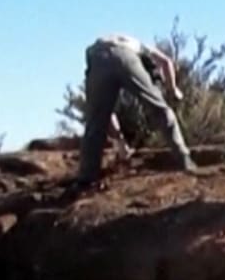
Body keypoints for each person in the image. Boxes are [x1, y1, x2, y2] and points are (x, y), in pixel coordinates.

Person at [76, 33, 197, 184]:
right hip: (126, 54)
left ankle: (86, 177)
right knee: (160, 109)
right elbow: (166, 62)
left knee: (95, 121)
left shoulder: (122, 42)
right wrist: (172, 90)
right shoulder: (140, 47)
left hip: (97, 56)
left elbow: (108, 114)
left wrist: (120, 144)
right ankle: (184, 160)